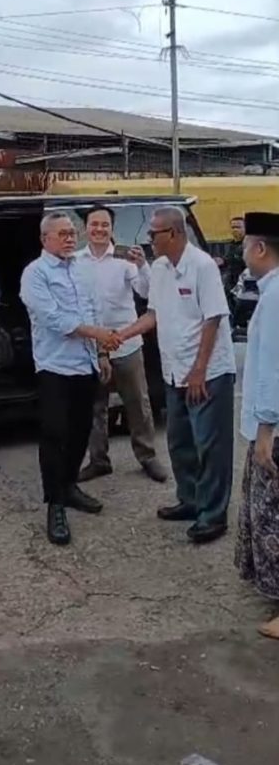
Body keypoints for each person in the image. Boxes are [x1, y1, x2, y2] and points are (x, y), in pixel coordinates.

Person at [116, 206, 235, 545]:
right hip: (174, 371)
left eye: (153, 233)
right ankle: (191, 500)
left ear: (174, 233)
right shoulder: (160, 268)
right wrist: (121, 335)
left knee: (210, 447)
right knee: (180, 442)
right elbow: (153, 314)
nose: (149, 239)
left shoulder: (202, 266)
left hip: (207, 373)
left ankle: (213, 515)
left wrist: (199, 370)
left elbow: (213, 319)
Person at [20, 210, 120, 546]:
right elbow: (53, 319)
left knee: (80, 431)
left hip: (85, 364)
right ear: (44, 239)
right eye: (62, 234)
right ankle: (55, 505)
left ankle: (69, 486)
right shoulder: (35, 273)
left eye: (72, 233)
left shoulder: (80, 269)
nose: (69, 239)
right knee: (54, 434)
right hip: (54, 366)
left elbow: (93, 310)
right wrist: (98, 334)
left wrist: (101, 353)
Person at [76, 205, 167, 485]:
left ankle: (147, 456)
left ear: (112, 229)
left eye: (105, 225)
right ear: (86, 228)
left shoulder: (125, 260)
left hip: (126, 343)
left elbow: (146, 291)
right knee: (95, 407)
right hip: (91, 345)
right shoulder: (75, 261)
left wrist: (142, 265)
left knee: (138, 403)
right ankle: (98, 460)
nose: (99, 229)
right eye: (94, 224)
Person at [235, 211, 279, 639]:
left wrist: (266, 429)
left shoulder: (276, 296)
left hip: (275, 427)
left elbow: (274, 369)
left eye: (245, 244)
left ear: (260, 248)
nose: (242, 251)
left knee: (274, 517)